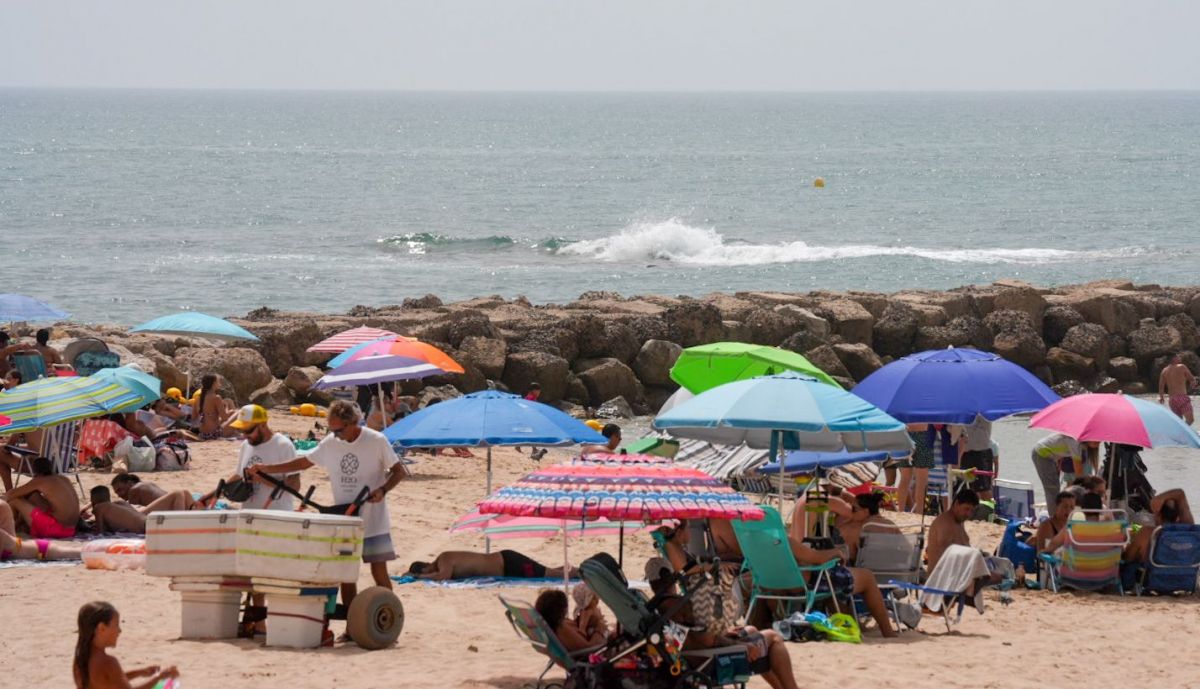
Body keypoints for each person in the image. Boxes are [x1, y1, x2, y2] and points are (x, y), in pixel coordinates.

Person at [247, 400, 406, 608]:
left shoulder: (376, 440)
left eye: (339, 431)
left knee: (378, 570)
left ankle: (389, 615)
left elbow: (399, 471)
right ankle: (351, 624)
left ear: (352, 423)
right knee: (346, 574)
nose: (335, 435)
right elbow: (304, 463)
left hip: (374, 518)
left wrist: (383, 490)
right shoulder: (331, 442)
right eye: (332, 430)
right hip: (344, 518)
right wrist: (267, 469)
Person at [644, 557, 802, 689]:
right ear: (673, 578)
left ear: (651, 584)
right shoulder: (677, 606)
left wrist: (724, 633)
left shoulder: (652, 607)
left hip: (690, 654)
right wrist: (742, 646)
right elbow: (703, 639)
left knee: (752, 630)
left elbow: (690, 636)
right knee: (773, 638)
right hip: (706, 660)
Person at [73, 601, 179, 689]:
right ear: (102, 628)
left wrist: (139, 672)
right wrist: (160, 678)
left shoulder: (80, 659)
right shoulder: (108, 662)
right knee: (170, 685)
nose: (119, 631)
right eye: (116, 625)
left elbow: (109, 680)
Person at [227, 405, 300, 510]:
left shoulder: (283, 445)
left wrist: (262, 479)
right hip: (248, 515)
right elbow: (239, 475)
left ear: (263, 425)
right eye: (241, 431)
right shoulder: (246, 445)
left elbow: (295, 486)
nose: (244, 436)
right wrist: (212, 495)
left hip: (276, 516)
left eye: (248, 431)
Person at [2, 456, 80, 537]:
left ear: (34, 471)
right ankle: (18, 525)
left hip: (55, 529)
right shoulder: (63, 479)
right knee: (34, 496)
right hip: (70, 530)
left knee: (15, 500)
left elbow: (10, 495)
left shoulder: (40, 481)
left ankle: (8, 529)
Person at [1031, 433, 1099, 512]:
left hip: (1052, 457)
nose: (1099, 441)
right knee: (1052, 490)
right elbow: (1078, 471)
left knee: (1055, 488)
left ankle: (1058, 514)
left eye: (1100, 440)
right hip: (1041, 454)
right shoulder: (1075, 443)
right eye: (1095, 439)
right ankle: (1055, 519)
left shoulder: (1082, 445)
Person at [1125, 488, 1194, 564]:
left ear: (1158, 515)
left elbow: (1128, 558)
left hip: (1152, 575)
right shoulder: (1189, 532)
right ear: (1177, 517)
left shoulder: (1146, 533)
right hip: (1183, 574)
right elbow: (1180, 494)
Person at [406, 549, 575, 580]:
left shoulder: (444, 559)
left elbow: (443, 577)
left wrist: (418, 577)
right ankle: (571, 569)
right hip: (506, 565)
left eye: (427, 571)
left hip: (508, 563)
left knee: (554, 576)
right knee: (549, 572)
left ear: (426, 566)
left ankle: (578, 572)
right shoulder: (444, 561)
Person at [534, 589, 607, 652]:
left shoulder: (550, 624)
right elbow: (589, 647)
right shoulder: (561, 629)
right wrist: (600, 627)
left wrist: (582, 622)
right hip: (593, 651)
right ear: (560, 610)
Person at [926, 490, 980, 572]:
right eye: (966, 509)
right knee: (996, 577)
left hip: (957, 571)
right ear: (956, 504)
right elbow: (945, 555)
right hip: (943, 576)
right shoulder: (945, 523)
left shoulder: (958, 521)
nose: (968, 514)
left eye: (972, 511)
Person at [896, 423, 934, 514]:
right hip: (923, 434)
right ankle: (919, 512)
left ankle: (900, 510)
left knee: (904, 479)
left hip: (905, 435)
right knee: (921, 482)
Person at [107, 474, 195, 514]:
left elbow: (134, 514)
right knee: (185, 492)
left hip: (171, 510)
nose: (119, 495)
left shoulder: (133, 490)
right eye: (116, 492)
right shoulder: (147, 484)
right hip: (178, 505)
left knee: (178, 493)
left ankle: (178, 525)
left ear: (129, 483)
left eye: (120, 490)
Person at [957, 414, 995, 502]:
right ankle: (974, 512)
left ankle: (989, 513)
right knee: (968, 488)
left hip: (981, 452)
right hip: (965, 452)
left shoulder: (985, 410)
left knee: (984, 489)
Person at [192, 373, 236, 440]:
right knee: (238, 412)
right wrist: (226, 407)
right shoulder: (216, 397)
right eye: (218, 381)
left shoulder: (197, 398)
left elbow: (193, 417)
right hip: (215, 434)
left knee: (232, 412)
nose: (219, 383)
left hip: (203, 434)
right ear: (214, 383)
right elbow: (225, 418)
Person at [1158, 354, 1196, 424]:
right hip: (1182, 397)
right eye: (1178, 356)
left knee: (1179, 422)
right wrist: (1193, 384)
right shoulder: (1182, 367)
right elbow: (1191, 379)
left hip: (1172, 400)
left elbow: (1161, 386)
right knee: (1190, 420)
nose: (1180, 357)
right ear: (1174, 358)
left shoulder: (1164, 370)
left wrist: (1161, 397)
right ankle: (1184, 433)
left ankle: (1178, 434)